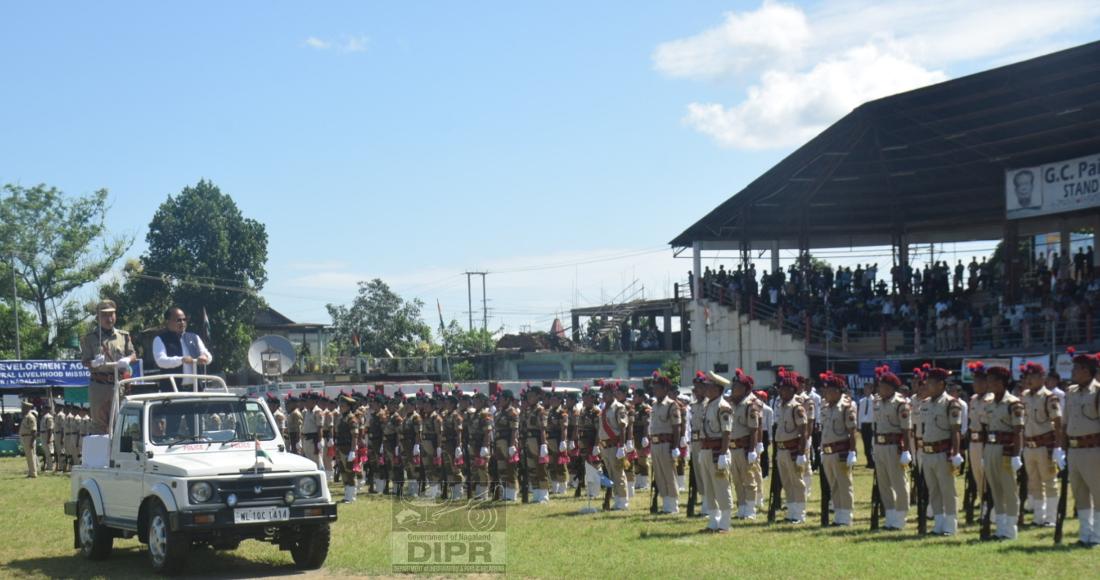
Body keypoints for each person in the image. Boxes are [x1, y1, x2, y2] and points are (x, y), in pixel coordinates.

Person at [980, 365, 1025, 540]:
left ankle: (1011, 528)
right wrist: (984, 454)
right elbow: (986, 429)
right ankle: (1000, 527)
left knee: (1009, 489)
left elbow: (1018, 430)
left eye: (992, 380)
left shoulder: (1013, 403)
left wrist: (1016, 455)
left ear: (1001, 382)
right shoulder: (989, 403)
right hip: (991, 448)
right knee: (995, 489)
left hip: (1006, 449)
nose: (988, 384)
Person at [918, 367, 964, 536]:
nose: (927, 386)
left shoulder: (951, 403)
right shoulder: (925, 403)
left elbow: (955, 430)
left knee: (947, 490)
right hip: (928, 452)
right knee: (934, 490)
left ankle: (950, 525)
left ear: (941, 384)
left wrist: (956, 452)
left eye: (931, 383)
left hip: (943, 452)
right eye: (926, 383)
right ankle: (938, 524)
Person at [80, 300, 137, 434]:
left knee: (122, 423)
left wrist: (128, 359)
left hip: (119, 384)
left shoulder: (123, 336)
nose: (109, 318)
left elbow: (133, 354)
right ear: (98, 318)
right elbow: (85, 361)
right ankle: (102, 454)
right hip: (99, 385)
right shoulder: (89, 339)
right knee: (99, 424)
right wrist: (94, 363)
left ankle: (123, 454)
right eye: (105, 315)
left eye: (111, 314)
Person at [1063, 349, 1100, 546]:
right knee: (1080, 494)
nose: (1073, 372)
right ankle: (1085, 534)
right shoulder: (1071, 392)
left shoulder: (1098, 391)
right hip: (1074, 449)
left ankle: (1098, 535)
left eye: (1076, 368)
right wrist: (1061, 449)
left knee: (1098, 492)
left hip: (1093, 448)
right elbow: (1064, 423)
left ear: (1086, 370)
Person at [1020, 361, 1062, 527]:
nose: (1029, 380)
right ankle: (1039, 516)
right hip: (1029, 446)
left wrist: (1058, 448)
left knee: (1050, 481)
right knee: (1034, 482)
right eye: (1027, 376)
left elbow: (1057, 422)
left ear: (1042, 377)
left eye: (1033, 376)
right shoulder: (1024, 396)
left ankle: (1051, 517)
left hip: (1045, 446)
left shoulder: (1049, 397)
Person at [872, 366, 912, 530]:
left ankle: (901, 516)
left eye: (883, 387)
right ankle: (890, 516)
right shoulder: (877, 402)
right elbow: (876, 426)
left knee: (898, 482)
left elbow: (906, 429)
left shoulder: (901, 404)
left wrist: (906, 450)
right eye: (879, 386)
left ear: (891, 388)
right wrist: (873, 446)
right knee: (884, 483)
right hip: (880, 445)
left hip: (894, 445)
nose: (880, 389)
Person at [819, 372, 858, 526]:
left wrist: (852, 452)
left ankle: (847, 516)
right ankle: (838, 514)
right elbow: (825, 430)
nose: (826, 394)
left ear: (837, 391)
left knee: (844, 484)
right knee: (834, 485)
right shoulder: (826, 407)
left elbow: (852, 431)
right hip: (828, 451)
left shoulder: (846, 406)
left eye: (829, 391)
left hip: (841, 451)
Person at [698, 372, 734, 533]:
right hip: (706, 449)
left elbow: (727, 432)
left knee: (721, 486)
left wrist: (723, 453)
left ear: (717, 389)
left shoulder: (723, 407)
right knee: (709, 487)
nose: (706, 389)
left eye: (709, 386)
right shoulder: (709, 405)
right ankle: (713, 521)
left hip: (717, 450)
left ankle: (725, 523)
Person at [726, 369, 763, 521]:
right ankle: (741, 507)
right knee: (736, 479)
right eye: (733, 386)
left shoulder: (750, 405)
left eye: (737, 387)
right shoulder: (732, 405)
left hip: (744, 448)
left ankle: (750, 509)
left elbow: (754, 429)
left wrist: (752, 450)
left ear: (745, 390)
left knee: (749, 480)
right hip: (733, 448)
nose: (734, 390)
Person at [774, 369, 809, 524]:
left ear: (791, 390)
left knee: (797, 481)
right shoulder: (781, 406)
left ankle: (800, 513)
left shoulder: (797, 407)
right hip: (781, 449)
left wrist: (801, 453)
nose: (780, 392)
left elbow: (803, 432)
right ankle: (791, 511)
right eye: (780, 389)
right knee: (787, 481)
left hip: (793, 449)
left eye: (783, 389)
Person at [152, 307, 212, 389]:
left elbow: (208, 356)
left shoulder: (194, 337)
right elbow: (161, 361)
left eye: (184, 319)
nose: (182, 322)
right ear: (167, 322)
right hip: (173, 391)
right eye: (178, 320)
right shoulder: (160, 339)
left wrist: (205, 357)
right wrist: (181, 360)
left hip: (196, 389)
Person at [649, 373, 682, 514]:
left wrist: (675, 446)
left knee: (669, 474)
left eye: (657, 388)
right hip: (655, 444)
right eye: (654, 388)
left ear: (664, 389)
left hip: (666, 444)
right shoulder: (654, 405)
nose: (654, 390)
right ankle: (666, 503)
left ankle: (673, 504)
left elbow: (677, 427)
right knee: (660, 475)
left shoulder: (672, 405)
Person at [600, 382, 630, 510]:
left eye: (606, 393)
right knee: (611, 475)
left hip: (615, 446)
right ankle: (617, 499)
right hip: (605, 447)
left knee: (618, 474)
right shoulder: (604, 409)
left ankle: (623, 501)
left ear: (613, 394)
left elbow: (623, 428)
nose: (604, 396)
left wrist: (621, 446)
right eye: (603, 393)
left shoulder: (619, 407)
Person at [523, 386, 551, 503]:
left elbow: (542, 429)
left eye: (532, 396)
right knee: (532, 468)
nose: (529, 398)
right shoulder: (528, 411)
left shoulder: (541, 410)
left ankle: (543, 495)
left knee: (541, 469)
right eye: (528, 396)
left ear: (538, 397)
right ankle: (536, 493)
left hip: (538, 441)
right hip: (529, 441)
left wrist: (544, 444)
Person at [494, 390, 521, 502]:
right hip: (499, 442)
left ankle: (511, 493)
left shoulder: (512, 412)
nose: (499, 400)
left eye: (501, 398)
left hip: (508, 442)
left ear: (508, 399)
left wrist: (512, 445)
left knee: (510, 469)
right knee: (502, 469)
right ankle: (505, 493)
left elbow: (514, 430)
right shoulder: (499, 413)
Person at [335, 395, 361, 503]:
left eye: (343, 405)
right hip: (341, 448)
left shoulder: (351, 418)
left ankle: (351, 496)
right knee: (343, 472)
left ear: (348, 406)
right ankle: (347, 495)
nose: (340, 407)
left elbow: (355, 435)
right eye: (340, 405)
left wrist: (353, 451)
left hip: (348, 448)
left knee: (350, 472)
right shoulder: (342, 418)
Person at [858, 383, 876, 468]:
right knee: (865, 445)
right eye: (864, 389)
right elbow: (860, 414)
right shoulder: (862, 401)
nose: (865, 391)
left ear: (871, 389)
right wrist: (859, 426)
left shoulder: (875, 400)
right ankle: (869, 461)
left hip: (871, 424)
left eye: (867, 389)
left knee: (871, 444)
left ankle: (872, 461)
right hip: (864, 424)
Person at [20, 401, 38, 478]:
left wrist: (31, 442)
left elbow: (34, 431)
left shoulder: (30, 417)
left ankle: (33, 473)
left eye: (23, 407)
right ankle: (31, 472)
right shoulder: (26, 416)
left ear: (27, 408)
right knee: (28, 456)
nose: (22, 408)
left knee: (31, 456)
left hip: (29, 438)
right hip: (25, 437)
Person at [39, 405, 54, 473]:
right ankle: (48, 466)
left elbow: (50, 429)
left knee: (49, 451)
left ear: (48, 409)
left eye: (44, 409)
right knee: (46, 452)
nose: (43, 410)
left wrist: (49, 438)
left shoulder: (49, 417)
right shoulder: (44, 416)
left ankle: (50, 467)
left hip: (46, 435)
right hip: (43, 434)